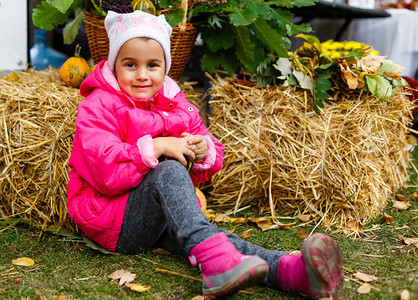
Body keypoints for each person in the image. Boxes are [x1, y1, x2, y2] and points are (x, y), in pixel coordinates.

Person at [66, 10, 344, 299]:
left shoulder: (175, 104)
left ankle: (295, 274)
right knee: (171, 173)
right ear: (114, 65)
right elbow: (102, 165)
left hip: (155, 215)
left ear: (165, 67)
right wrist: (159, 147)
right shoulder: (99, 105)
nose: (142, 75)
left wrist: (202, 149)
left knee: (214, 239)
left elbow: (209, 149)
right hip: (112, 220)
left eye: (152, 65)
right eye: (130, 65)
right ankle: (217, 267)